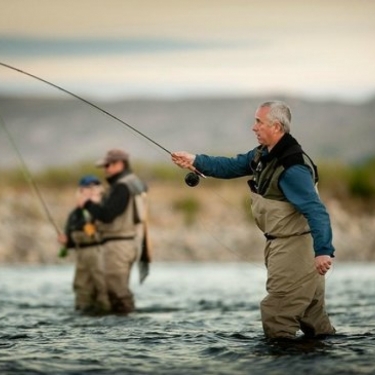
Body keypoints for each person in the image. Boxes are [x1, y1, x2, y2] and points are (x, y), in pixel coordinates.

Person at [171, 101, 336, 340]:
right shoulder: (263, 155)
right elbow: (230, 166)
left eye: (259, 122)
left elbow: (316, 211)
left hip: (295, 250)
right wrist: (195, 160)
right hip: (283, 245)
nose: (253, 127)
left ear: (277, 127)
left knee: (277, 316)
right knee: (314, 321)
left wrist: (323, 250)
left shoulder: (292, 167)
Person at [78, 149, 150, 315]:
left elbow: (108, 215)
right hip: (130, 242)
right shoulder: (135, 183)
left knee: (117, 292)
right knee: (117, 290)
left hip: (119, 245)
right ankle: (123, 330)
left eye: (108, 165)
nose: (105, 169)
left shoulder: (122, 186)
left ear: (120, 164)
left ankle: (124, 333)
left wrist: (88, 204)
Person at [58, 175, 110, 314]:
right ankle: (82, 313)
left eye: (95, 186)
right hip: (81, 254)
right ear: (80, 190)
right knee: (81, 286)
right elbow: (70, 238)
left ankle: (106, 312)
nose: (91, 190)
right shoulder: (75, 213)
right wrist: (66, 241)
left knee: (102, 285)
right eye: (87, 187)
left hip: (99, 251)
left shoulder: (103, 208)